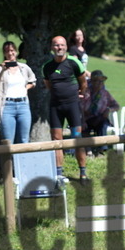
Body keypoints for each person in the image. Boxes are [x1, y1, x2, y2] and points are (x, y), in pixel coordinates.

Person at [42, 36, 88, 184]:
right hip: (55, 106)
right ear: (51, 47)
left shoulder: (74, 63)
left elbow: (83, 82)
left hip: (73, 105)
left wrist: (79, 93)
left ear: (66, 47)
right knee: (56, 140)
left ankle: (83, 173)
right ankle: (59, 174)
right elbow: (49, 85)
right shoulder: (47, 67)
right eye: (56, 45)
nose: (59, 48)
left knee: (77, 138)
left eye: (61, 45)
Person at [0, 41, 37, 144]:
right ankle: (9, 160)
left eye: (12, 50)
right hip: (7, 106)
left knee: (24, 140)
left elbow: (33, 81)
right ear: (4, 53)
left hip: (23, 105)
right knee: (8, 141)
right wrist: (3, 70)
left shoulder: (24, 68)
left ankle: (22, 160)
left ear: (15, 52)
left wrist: (25, 88)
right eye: (7, 51)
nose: (10, 53)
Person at [81, 70, 120, 155]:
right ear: (91, 81)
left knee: (103, 124)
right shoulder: (86, 93)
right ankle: (88, 150)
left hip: (100, 118)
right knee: (83, 128)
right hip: (87, 118)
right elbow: (80, 108)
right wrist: (83, 121)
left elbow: (116, 105)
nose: (99, 83)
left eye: (101, 81)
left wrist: (109, 109)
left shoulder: (105, 94)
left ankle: (102, 150)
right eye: (96, 80)